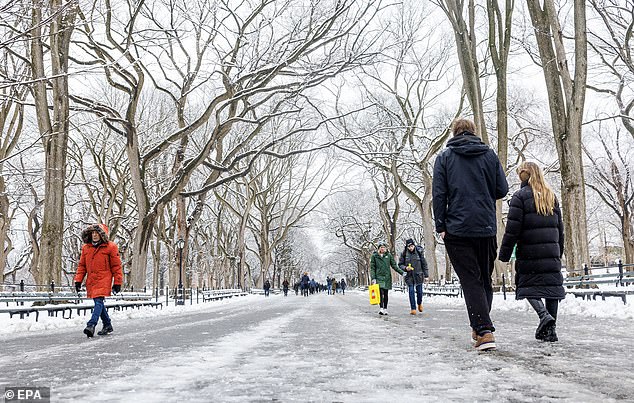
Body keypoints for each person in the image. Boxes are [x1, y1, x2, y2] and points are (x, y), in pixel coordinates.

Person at [432, 118, 508, 351]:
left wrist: (440, 225)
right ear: (474, 132)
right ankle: (481, 325)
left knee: (470, 279)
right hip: (485, 226)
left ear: (454, 134)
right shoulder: (490, 155)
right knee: (484, 278)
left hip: (457, 228)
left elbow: (439, 194)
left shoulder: (444, 158)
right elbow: (502, 190)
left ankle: (484, 330)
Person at [498, 161, 565, 342]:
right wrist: (559, 251)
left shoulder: (520, 197)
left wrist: (504, 254)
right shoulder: (551, 196)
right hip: (551, 251)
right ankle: (551, 331)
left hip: (529, 252)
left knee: (528, 286)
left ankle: (544, 316)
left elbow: (512, 230)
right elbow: (560, 228)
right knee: (552, 289)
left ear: (522, 175)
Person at [74, 224, 123, 338]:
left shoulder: (111, 247)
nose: (95, 235)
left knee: (98, 301)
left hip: (104, 278)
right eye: (93, 233)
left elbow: (116, 266)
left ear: (102, 235)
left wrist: (117, 282)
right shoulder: (86, 248)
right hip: (92, 279)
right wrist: (78, 280)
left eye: (97, 233)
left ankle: (91, 324)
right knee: (98, 302)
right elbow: (82, 266)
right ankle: (107, 324)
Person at [370, 243, 406, 316]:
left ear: (386, 248)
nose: (382, 249)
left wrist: (402, 272)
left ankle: (385, 308)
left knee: (385, 293)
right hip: (378, 277)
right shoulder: (374, 256)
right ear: (379, 248)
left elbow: (394, 266)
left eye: (384, 247)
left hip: (387, 277)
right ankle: (381, 308)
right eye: (381, 247)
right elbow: (372, 268)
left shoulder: (388, 256)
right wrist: (373, 278)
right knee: (380, 292)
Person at [398, 239, 429, 315]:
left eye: (412, 246)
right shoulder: (404, 253)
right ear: (407, 247)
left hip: (419, 275)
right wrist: (405, 268)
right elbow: (400, 264)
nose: (411, 248)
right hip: (409, 276)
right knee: (411, 291)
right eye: (409, 246)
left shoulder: (419, 252)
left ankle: (419, 303)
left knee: (419, 292)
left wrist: (426, 275)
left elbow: (424, 264)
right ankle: (413, 308)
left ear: (414, 245)